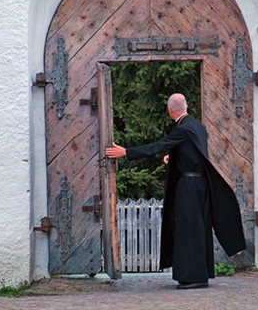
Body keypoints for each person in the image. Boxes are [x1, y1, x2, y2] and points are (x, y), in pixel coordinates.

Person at [105, 93, 246, 289]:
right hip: (200, 185)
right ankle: (199, 274)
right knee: (197, 229)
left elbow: (157, 146)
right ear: (186, 106)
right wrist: (175, 159)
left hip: (188, 188)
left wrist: (126, 152)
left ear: (170, 110)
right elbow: (195, 153)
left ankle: (194, 277)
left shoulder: (181, 130)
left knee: (188, 230)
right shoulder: (197, 126)